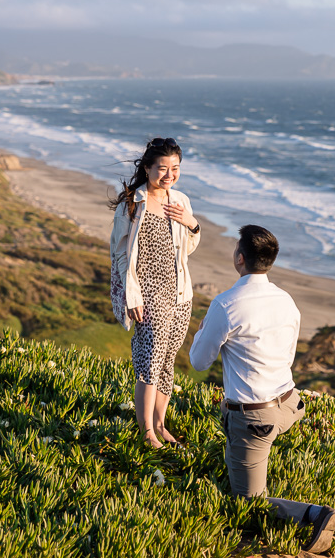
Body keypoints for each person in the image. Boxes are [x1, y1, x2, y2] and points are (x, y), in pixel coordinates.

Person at [189, 225, 335, 554]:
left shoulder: (226, 304)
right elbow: (287, 356)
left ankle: (314, 515)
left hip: (256, 420)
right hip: (290, 405)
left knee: (247, 501)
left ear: (239, 258)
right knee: (240, 433)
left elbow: (199, 362)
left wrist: (203, 330)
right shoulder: (286, 301)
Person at [109, 137, 201, 448]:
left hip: (179, 292)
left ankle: (160, 424)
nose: (169, 174)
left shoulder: (182, 201)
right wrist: (130, 296)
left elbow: (187, 249)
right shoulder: (132, 203)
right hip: (148, 291)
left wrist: (192, 224)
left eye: (175, 168)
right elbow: (120, 253)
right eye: (162, 168)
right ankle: (146, 430)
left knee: (167, 360)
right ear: (147, 168)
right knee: (150, 360)